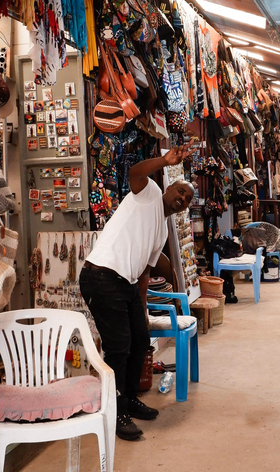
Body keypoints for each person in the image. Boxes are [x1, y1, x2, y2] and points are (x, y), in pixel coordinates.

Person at [79, 143, 195, 441]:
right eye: (180, 191)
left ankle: (128, 398)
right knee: (119, 348)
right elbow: (135, 172)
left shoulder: (161, 230)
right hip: (101, 277)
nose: (182, 198)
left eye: (188, 198)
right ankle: (114, 410)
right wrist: (164, 160)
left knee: (142, 340)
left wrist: (142, 310)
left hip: (126, 284)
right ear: (169, 189)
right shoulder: (150, 194)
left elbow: (145, 271)